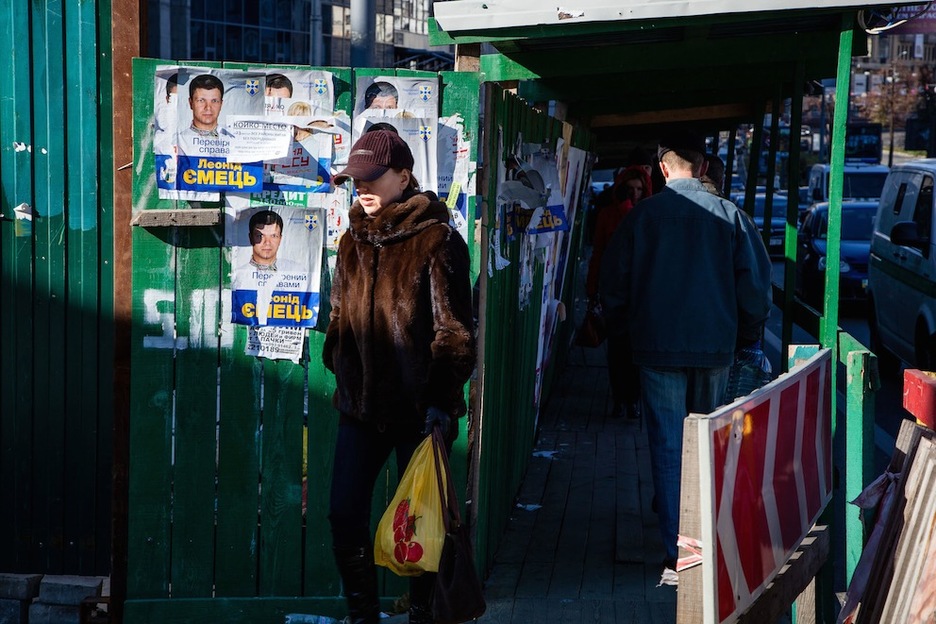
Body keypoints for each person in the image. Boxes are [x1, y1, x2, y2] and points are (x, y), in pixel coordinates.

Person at [599, 130, 771, 582]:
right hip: (716, 348)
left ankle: (681, 556)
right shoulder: (731, 215)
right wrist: (747, 337)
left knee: (668, 448)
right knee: (710, 448)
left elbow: (613, 286)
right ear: (704, 165)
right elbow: (755, 290)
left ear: (662, 168)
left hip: (656, 348)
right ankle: (712, 545)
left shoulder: (643, 217)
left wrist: (625, 334)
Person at [322, 130, 476, 624]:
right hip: (361, 409)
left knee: (422, 517)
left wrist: (439, 401)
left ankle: (424, 615)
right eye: (355, 180)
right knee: (343, 513)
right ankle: (363, 614)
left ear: (404, 176)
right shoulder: (352, 238)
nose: (361, 188)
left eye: (372, 179)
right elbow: (339, 316)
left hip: (418, 412)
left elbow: (454, 333)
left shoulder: (438, 240)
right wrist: (340, 361)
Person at [585, 165, 652, 419]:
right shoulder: (608, 215)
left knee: (634, 350)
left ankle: (632, 399)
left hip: (640, 294)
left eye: (639, 189)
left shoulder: (648, 214)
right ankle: (620, 397)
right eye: (630, 188)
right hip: (615, 292)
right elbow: (599, 251)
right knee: (617, 350)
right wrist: (592, 287)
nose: (635, 193)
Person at [235, 209, 306, 282]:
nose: (267, 242)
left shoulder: (296, 271)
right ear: (251, 238)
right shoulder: (237, 275)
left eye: (273, 236)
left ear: (280, 239)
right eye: (260, 236)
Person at [176, 73, 234, 156]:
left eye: (214, 101)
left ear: (221, 104)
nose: (208, 108)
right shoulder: (179, 141)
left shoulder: (233, 140)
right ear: (191, 103)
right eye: (201, 100)